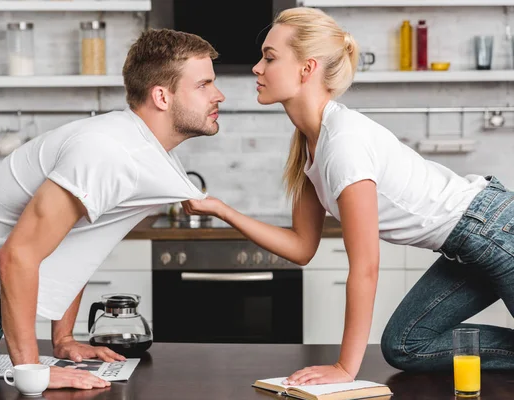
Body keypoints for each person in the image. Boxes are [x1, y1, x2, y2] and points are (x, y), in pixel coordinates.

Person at [183, 6, 514, 385]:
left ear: (307, 69)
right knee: (406, 345)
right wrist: (222, 210)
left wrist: (345, 368)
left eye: (269, 58)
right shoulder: (312, 142)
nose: (257, 68)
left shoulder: (343, 144)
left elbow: (366, 266)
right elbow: (301, 247)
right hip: (471, 242)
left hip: (498, 231)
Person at [0, 28, 224, 397]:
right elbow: (17, 255)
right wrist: (31, 371)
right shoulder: (107, 151)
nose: (218, 95)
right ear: (161, 95)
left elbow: (74, 241)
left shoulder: (137, 149)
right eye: (204, 84)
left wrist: (63, 339)